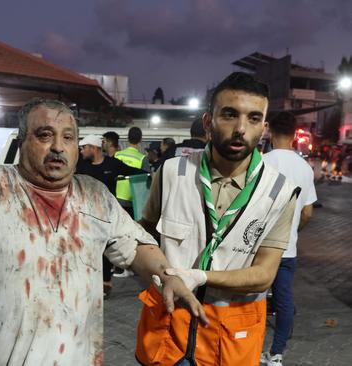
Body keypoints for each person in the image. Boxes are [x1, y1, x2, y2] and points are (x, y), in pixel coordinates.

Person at [0, 98, 206, 366]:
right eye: (45, 135)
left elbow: (135, 245)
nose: (58, 147)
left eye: (68, 137)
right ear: (23, 141)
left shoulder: (95, 196)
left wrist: (166, 274)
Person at [135, 72, 298, 365]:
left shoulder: (280, 192)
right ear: (208, 122)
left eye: (253, 118)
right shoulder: (173, 172)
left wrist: (200, 276)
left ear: (264, 127)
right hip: (168, 331)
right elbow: (144, 236)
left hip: (229, 341)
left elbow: (264, 275)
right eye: (229, 114)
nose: (240, 129)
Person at [260, 112, 317, 366]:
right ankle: (277, 353)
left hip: (258, 249)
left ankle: (250, 349)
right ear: (295, 134)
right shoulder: (305, 168)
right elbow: (307, 212)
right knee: (284, 301)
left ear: (269, 131)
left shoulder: (261, 162)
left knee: (254, 301)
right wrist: (294, 230)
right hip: (287, 249)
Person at [76, 134, 146, 296]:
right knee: (86, 249)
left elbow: (134, 171)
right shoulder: (80, 165)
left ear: (94, 148)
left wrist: (154, 176)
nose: (82, 151)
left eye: (84, 148)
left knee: (105, 249)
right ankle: (87, 281)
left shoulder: (112, 164)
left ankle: (106, 282)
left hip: (105, 216)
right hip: (83, 215)